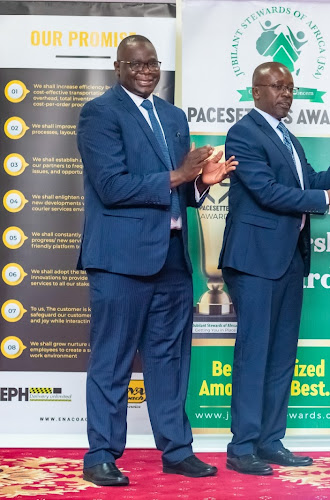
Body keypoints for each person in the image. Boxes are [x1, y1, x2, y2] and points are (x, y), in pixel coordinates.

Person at [77, 35, 236, 486]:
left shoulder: (172, 116)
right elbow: (111, 186)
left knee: (169, 358)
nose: (147, 70)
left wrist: (202, 182)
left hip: (171, 256)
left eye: (153, 64)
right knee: (113, 358)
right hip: (119, 258)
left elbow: (181, 192)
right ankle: (101, 455)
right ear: (118, 67)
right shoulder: (100, 114)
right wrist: (179, 174)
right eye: (137, 63)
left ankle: (177, 450)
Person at [220, 62, 330, 475]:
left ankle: (270, 440)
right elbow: (268, 192)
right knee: (254, 354)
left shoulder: (287, 137)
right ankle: (242, 446)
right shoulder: (243, 134)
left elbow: (312, 180)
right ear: (255, 91)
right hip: (254, 262)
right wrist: (325, 199)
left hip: (288, 260)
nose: (286, 93)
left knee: (281, 355)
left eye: (290, 87)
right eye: (277, 86)